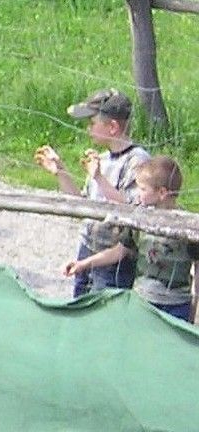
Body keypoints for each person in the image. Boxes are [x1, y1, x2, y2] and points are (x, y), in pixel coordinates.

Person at [37, 88, 150, 298]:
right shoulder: (102, 159)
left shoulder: (137, 161)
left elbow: (133, 209)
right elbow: (84, 204)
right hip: (88, 247)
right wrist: (60, 171)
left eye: (92, 123)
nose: (88, 129)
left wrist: (99, 178)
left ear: (113, 127)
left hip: (114, 258)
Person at [65, 156, 197, 322]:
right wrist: (83, 264)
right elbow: (121, 250)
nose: (138, 193)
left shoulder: (188, 226)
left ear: (162, 192)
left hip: (176, 305)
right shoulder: (138, 218)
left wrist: (194, 304)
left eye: (142, 189)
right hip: (142, 300)